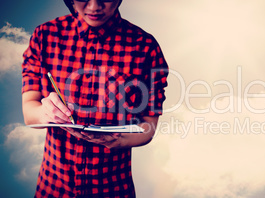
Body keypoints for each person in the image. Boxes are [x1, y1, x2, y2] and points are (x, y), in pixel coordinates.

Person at [21, 0, 169, 197]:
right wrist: (45, 112)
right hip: (54, 185)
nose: (94, 7)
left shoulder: (145, 47)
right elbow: (29, 111)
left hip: (113, 189)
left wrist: (118, 140)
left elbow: (148, 126)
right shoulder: (45, 36)